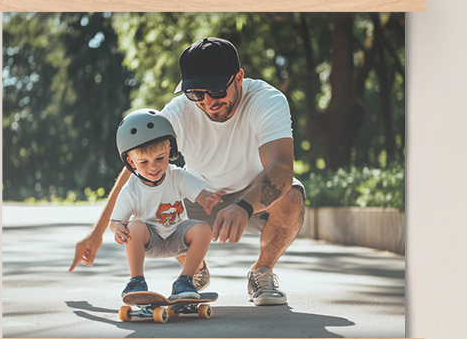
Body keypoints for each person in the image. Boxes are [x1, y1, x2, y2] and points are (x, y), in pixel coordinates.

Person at [69, 36, 300, 307]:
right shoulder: (178, 112)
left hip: (254, 197)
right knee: (154, 199)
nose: (207, 102)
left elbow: (281, 167)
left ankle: (262, 271)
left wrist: (244, 205)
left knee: (291, 197)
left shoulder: (266, 101)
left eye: (216, 91)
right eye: (196, 94)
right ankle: (194, 272)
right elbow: (137, 168)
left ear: (238, 78)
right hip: (199, 197)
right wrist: (98, 232)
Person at [103, 108, 216, 307]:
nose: (153, 167)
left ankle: (185, 281)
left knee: (203, 229)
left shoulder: (177, 176)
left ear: (170, 152)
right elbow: (115, 222)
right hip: (150, 240)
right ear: (131, 162)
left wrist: (208, 199)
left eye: (159, 158)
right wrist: (117, 229)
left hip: (178, 236)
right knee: (134, 226)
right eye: (144, 162)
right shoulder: (131, 189)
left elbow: (201, 193)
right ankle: (136, 281)